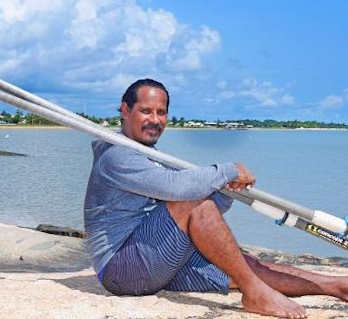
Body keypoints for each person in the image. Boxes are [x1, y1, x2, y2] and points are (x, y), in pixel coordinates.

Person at [84, 78, 348, 318]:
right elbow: (178, 192)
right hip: (123, 269)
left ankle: (335, 286)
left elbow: (205, 211)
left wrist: (228, 190)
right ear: (125, 110)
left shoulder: (147, 155)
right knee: (192, 200)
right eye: (146, 110)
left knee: (242, 266)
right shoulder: (116, 155)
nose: (155, 119)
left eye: (161, 112)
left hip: (157, 260)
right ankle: (254, 294)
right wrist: (228, 170)